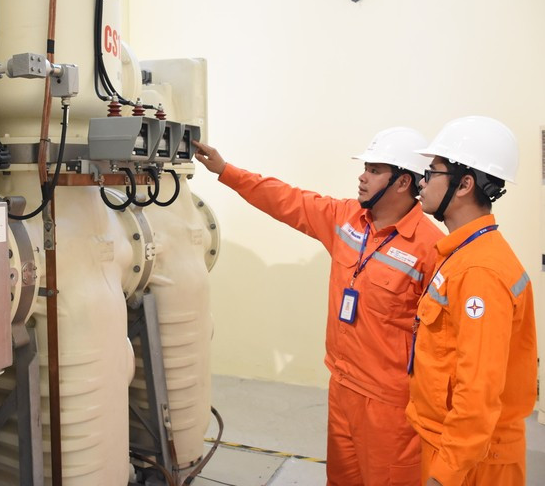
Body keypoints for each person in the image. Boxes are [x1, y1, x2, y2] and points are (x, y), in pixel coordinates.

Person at [194, 128, 444, 485]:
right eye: (365, 168)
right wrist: (225, 170)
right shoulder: (346, 219)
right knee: (341, 479)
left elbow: (445, 340)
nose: (362, 176)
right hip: (342, 385)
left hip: (390, 403)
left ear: (403, 182)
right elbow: (286, 199)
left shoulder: (430, 248)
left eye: (374, 170)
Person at [406, 116, 538, 486]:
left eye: (432, 173)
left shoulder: (480, 271)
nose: (421, 183)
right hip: (454, 445)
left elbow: (479, 388)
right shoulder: (463, 254)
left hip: (472, 461)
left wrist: (446, 473)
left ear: (464, 184)